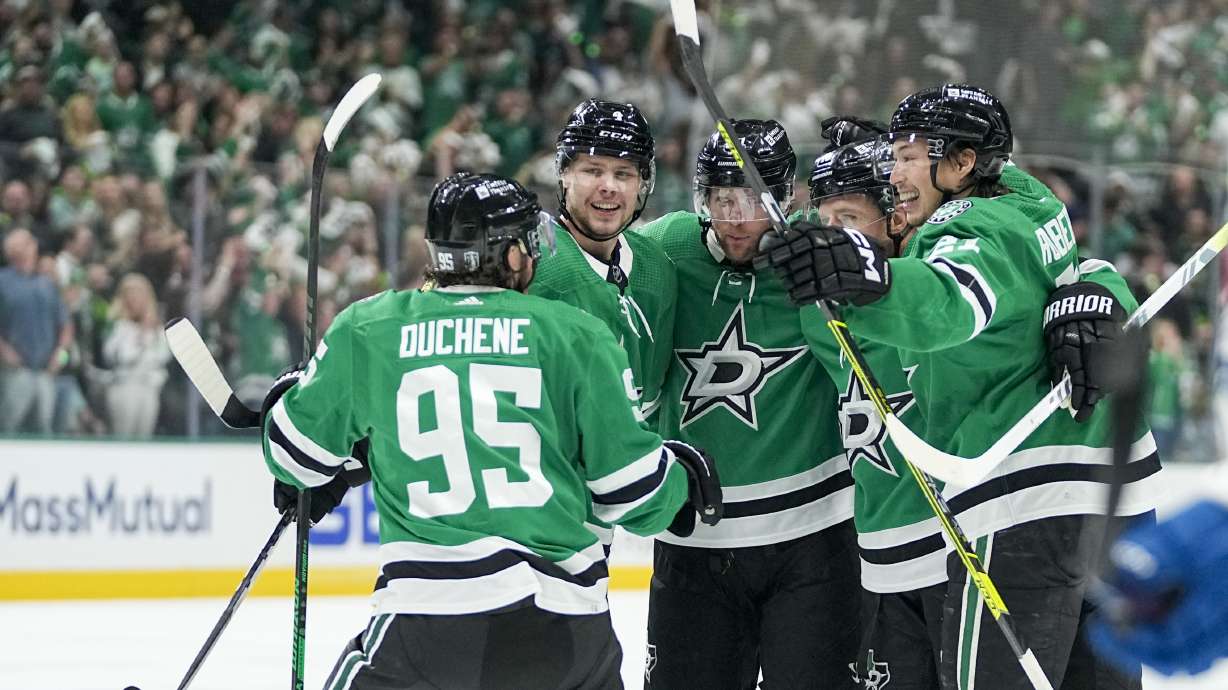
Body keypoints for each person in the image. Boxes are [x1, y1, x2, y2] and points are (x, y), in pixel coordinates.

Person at [758, 85, 1162, 689]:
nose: (892, 176)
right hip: (1113, 493)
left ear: (962, 163)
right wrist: (1100, 288)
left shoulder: (963, 229)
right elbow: (1067, 267)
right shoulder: (1031, 199)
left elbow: (951, 299)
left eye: (905, 157)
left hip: (1020, 495)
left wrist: (866, 276)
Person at [260, 172, 722, 689]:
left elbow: (295, 456)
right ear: (512, 256)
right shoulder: (577, 335)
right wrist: (679, 480)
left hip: (427, 626)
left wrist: (291, 397)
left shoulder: (369, 328)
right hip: (567, 630)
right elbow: (631, 491)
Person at [639, 120, 859, 689]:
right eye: (722, 199)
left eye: (754, 201)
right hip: (694, 539)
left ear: (785, 198)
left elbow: (914, 243)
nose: (736, 219)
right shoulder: (666, 248)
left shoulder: (818, 251)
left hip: (815, 540)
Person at [528, 98, 676, 426]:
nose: (608, 187)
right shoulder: (526, 261)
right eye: (592, 170)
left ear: (642, 183)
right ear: (563, 174)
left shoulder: (656, 266)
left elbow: (649, 404)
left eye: (623, 174)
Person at [0, 228, 71, 434]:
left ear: (33, 247)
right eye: (14, 246)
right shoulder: (2, 282)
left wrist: (61, 355)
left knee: (44, 427)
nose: (20, 250)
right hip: (14, 370)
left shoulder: (47, 284)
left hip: (46, 371)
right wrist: (4, 351)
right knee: (10, 424)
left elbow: (65, 325)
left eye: (24, 245)